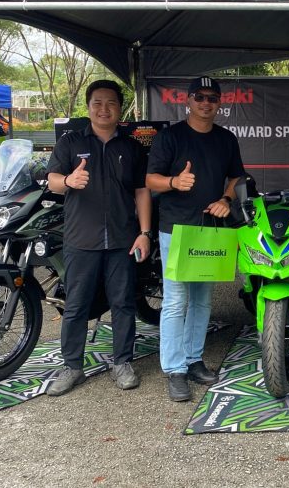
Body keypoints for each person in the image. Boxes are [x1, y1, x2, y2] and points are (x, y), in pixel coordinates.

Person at [44, 80, 152, 396]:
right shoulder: (70, 142)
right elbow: (52, 181)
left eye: (111, 103)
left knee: (123, 303)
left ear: (120, 109)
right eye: (97, 103)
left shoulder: (132, 148)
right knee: (76, 305)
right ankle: (72, 367)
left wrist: (144, 233)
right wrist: (69, 180)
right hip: (81, 240)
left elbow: (142, 192)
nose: (104, 109)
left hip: (122, 240)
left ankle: (122, 363)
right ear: (89, 107)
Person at [146, 77, 245, 402]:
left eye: (212, 98)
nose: (206, 103)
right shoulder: (170, 137)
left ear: (219, 103)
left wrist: (226, 199)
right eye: (200, 97)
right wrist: (174, 182)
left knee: (202, 300)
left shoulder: (226, 139)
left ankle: (193, 360)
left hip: (211, 229)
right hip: (176, 229)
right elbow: (150, 180)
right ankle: (175, 369)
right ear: (188, 101)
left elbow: (237, 177)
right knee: (176, 301)